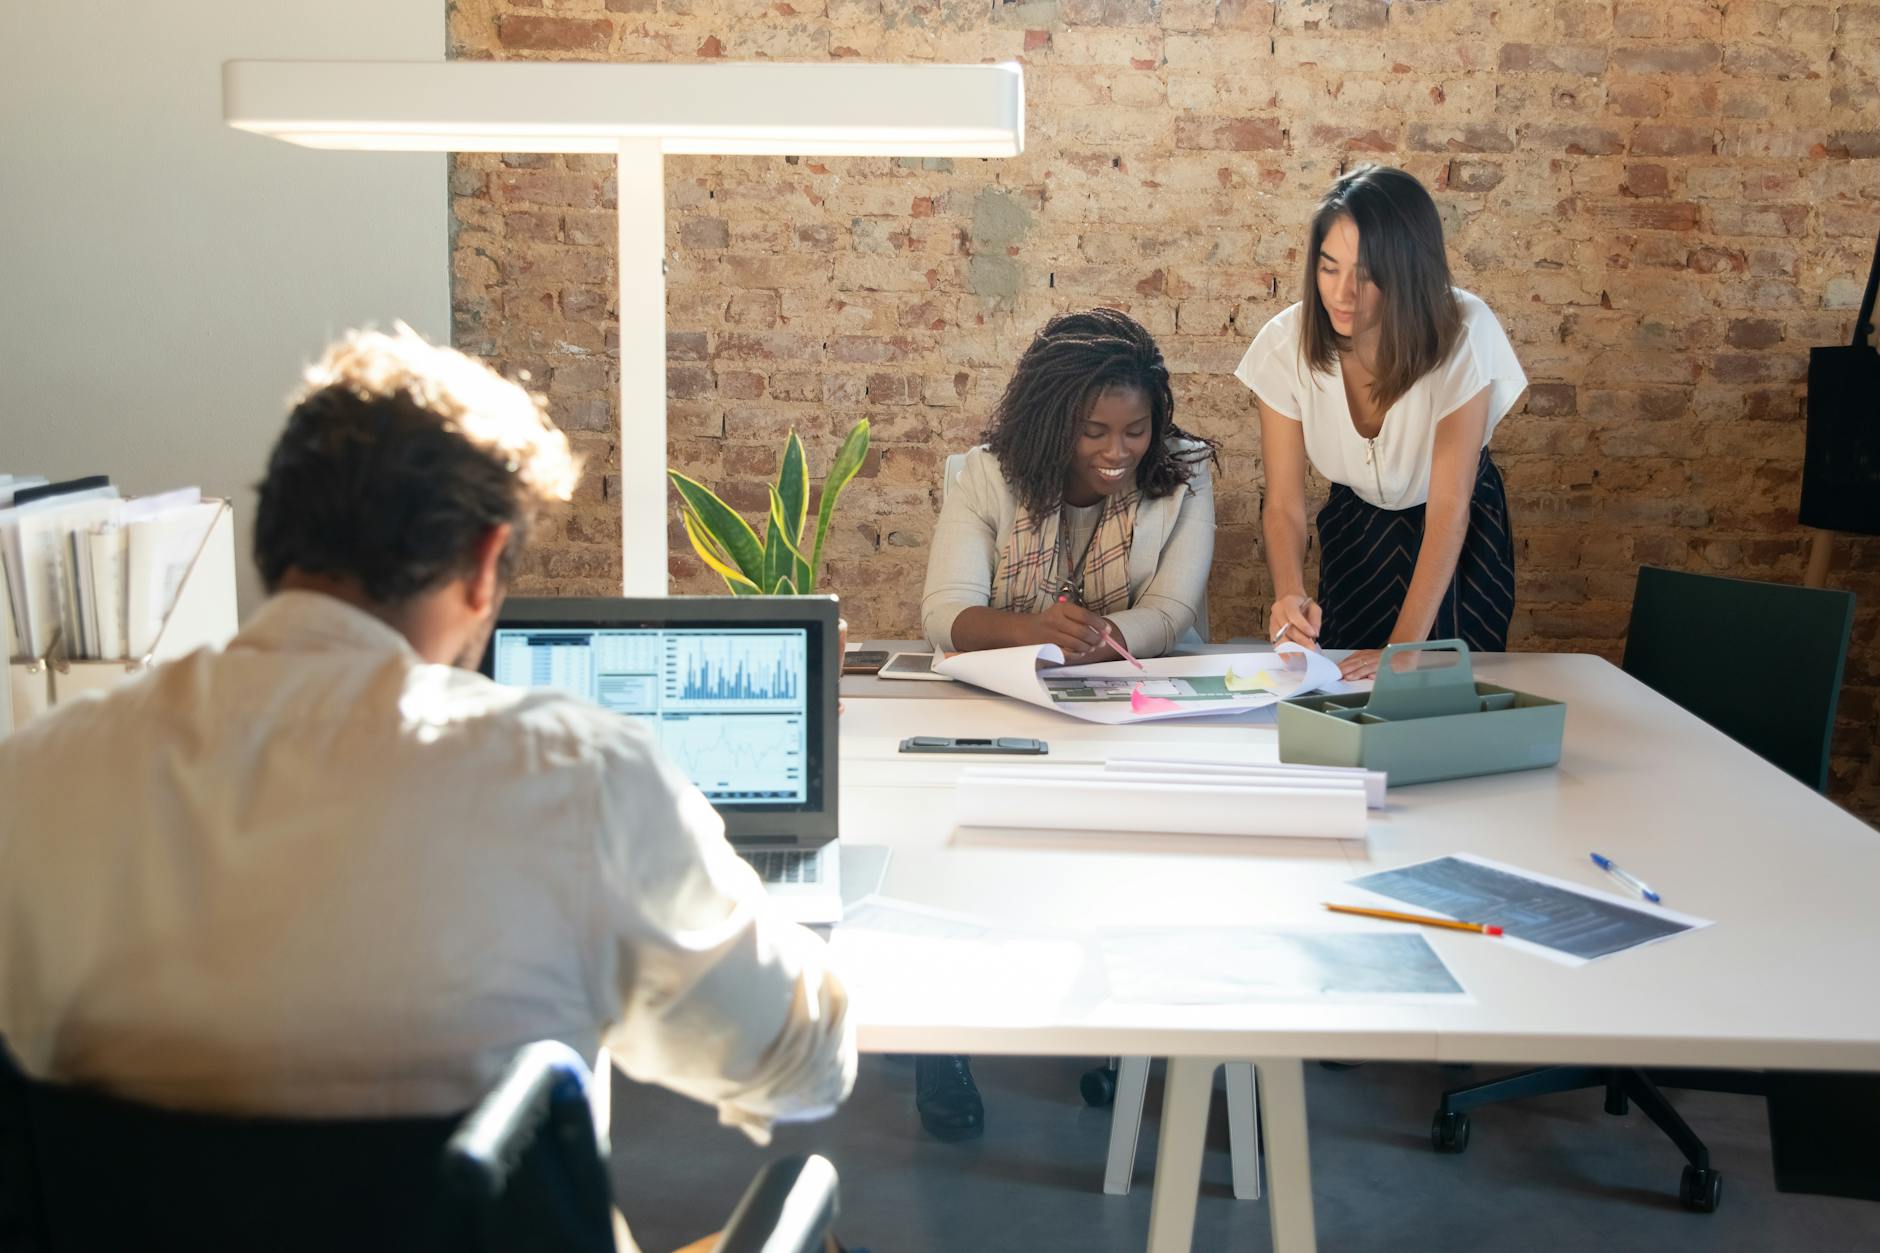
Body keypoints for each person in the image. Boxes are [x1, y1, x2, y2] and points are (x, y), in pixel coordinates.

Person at [0, 329, 855, 1200]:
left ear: (273, 532)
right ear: (485, 563)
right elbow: (803, 1065)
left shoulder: (32, 778)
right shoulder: (577, 775)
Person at [914, 307, 1217, 1141]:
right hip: (1009, 701)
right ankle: (943, 1044)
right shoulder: (987, 477)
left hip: (1135, 702)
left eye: (1135, 430)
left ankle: (1120, 1035)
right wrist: (1039, 631)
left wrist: (1103, 641)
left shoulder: (1184, 475)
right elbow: (946, 614)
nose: (1118, 452)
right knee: (965, 863)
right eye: (1094, 431)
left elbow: (1174, 608)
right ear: (1056, 422)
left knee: (1133, 864)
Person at [1237, 164, 1528, 680]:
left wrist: (1404, 648)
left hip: (1457, 532)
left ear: (1410, 270)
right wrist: (1290, 595)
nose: (1343, 293)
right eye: (1329, 268)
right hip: (1356, 525)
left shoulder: (1466, 332)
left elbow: (1449, 507)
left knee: (1442, 687)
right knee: (1343, 680)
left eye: (1367, 274)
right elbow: (1283, 503)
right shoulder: (1284, 345)